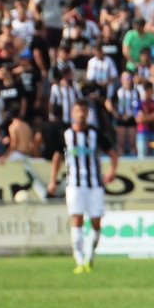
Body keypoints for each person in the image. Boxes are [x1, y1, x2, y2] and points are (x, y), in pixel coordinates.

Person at [47, 98, 117, 274]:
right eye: (77, 110)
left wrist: (111, 171)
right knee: (76, 219)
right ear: (72, 113)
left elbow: (113, 154)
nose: (81, 113)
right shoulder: (66, 134)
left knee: (96, 222)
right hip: (74, 185)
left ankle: (89, 256)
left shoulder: (96, 133)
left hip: (95, 184)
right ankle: (78, 261)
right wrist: (52, 179)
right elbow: (57, 157)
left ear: (88, 113)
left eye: (84, 110)